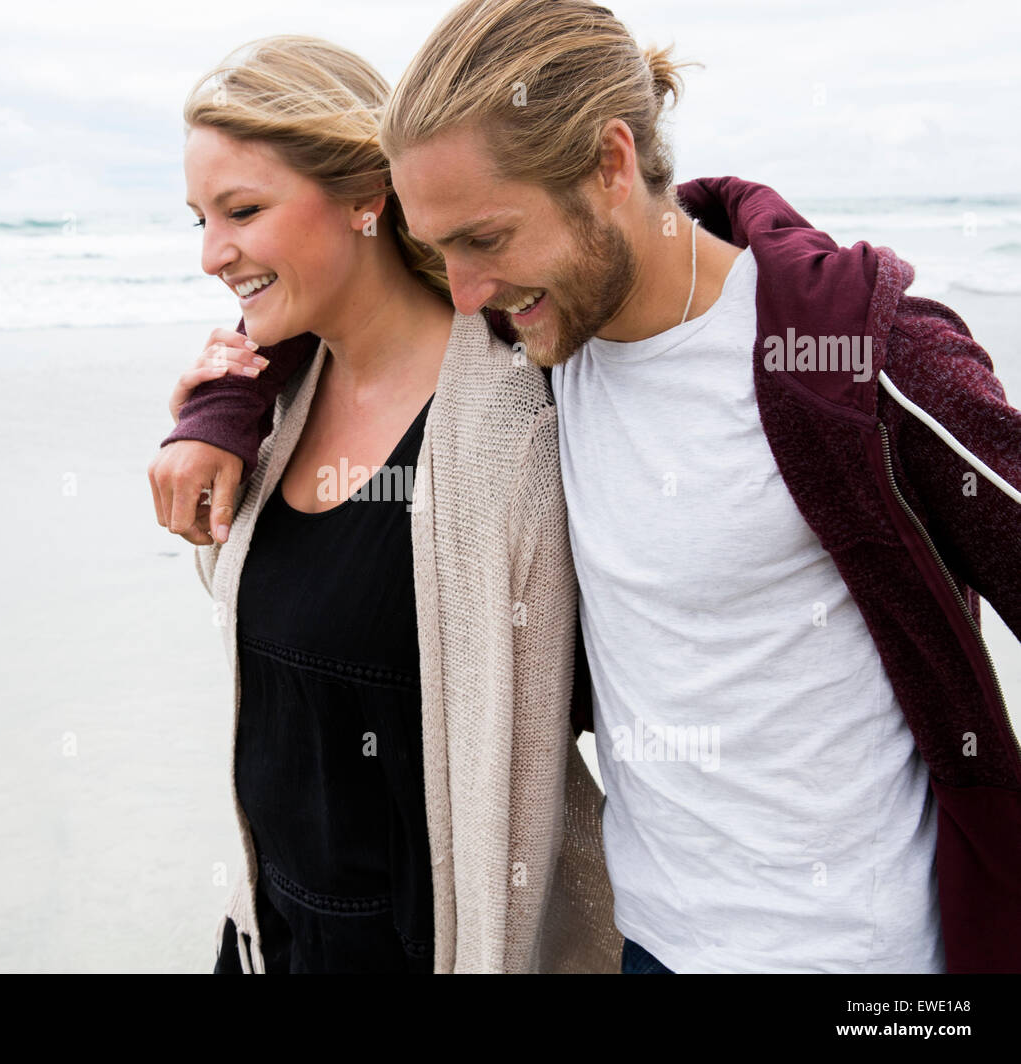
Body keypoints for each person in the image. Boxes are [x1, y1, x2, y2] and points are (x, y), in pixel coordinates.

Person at [152, 1, 1021, 973]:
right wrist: (220, 410)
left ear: (610, 164)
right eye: (445, 250)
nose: (467, 291)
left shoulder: (838, 357)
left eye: (483, 239)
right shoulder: (549, 343)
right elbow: (355, 314)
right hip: (647, 945)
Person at [155, 32, 621, 973]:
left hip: (445, 944)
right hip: (272, 936)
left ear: (369, 197)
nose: (212, 253)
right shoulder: (270, 405)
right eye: (198, 217)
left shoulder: (521, 409)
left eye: (242, 209)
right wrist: (218, 409)